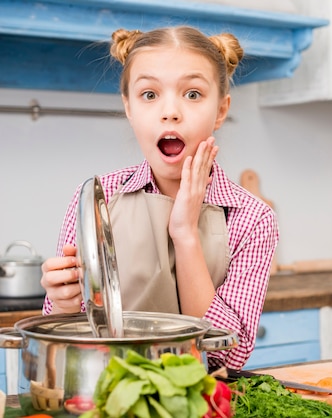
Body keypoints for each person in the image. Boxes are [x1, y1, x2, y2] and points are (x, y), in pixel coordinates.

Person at [39, 26, 279, 370]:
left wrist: (185, 235)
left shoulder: (251, 217)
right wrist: (61, 304)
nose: (170, 112)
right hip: (103, 395)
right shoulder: (97, 198)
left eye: (193, 94)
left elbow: (228, 354)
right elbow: (65, 339)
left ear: (221, 110)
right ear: (129, 108)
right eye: (149, 95)